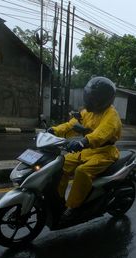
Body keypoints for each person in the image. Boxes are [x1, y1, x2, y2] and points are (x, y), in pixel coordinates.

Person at [48, 76, 122, 221]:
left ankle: (73, 207)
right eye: (89, 97)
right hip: (86, 151)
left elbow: (101, 134)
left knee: (81, 172)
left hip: (104, 153)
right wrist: (54, 130)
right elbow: (72, 125)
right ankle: (58, 201)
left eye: (93, 98)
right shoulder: (88, 111)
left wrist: (83, 141)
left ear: (103, 99)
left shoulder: (112, 116)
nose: (89, 101)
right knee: (59, 165)